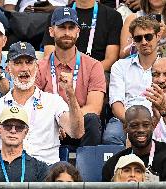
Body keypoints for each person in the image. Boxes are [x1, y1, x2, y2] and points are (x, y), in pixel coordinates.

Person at [0, 41, 84, 165]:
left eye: (29, 62)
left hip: (46, 172)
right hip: (9, 172)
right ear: (8, 69)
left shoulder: (53, 101)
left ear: (37, 66)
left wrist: (71, 94)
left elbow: (76, 132)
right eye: (18, 63)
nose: (24, 68)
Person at [36, 7, 105, 147]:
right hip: (50, 128)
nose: (67, 33)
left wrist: (67, 121)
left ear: (77, 32)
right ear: (51, 31)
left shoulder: (94, 66)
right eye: (61, 27)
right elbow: (34, 106)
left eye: (71, 27)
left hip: (80, 126)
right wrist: (58, 121)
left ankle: (87, 167)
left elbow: (94, 107)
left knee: (92, 120)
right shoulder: (39, 67)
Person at [102, 16, 161, 145]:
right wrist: (133, 124)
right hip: (125, 118)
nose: (144, 42)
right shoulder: (120, 66)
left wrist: (152, 122)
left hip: (158, 117)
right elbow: (116, 103)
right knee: (112, 136)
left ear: (158, 36)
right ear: (133, 41)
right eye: (138, 38)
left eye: (148, 37)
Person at [42, 0, 123, 73]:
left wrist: (82, 74)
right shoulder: (57, 14)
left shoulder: (113, 16)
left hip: (97, 71)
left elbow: (110, 60)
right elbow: (49, 54)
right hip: (61, 71)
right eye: (63, 27)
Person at [102, 105, 166, 182]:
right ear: (125, 127)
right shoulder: (113, 164)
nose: (141, 130)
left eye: (146, 125)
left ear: (152, 126)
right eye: (134, 126)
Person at [0, 106, 48, 182]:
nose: (13, 131)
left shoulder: (40, 168)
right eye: (8, 126)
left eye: (19, 127)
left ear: (26, 132)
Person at [144, 57, 166, 144]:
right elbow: (131, 145)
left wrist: (164, 110)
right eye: (155, 75)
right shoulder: (143, 103)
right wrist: (155, 120)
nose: (160, 80)